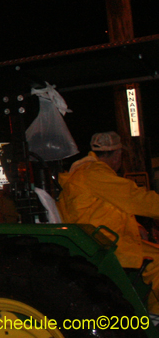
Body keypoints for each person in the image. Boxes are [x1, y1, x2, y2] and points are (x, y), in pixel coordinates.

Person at [57, 131, 159, 312]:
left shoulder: (83, 174)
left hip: (96, 239)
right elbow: (135, 199)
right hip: (106, 243)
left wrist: (137, 227)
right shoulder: (97, 174)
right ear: (118, 155)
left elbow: (107, 208)